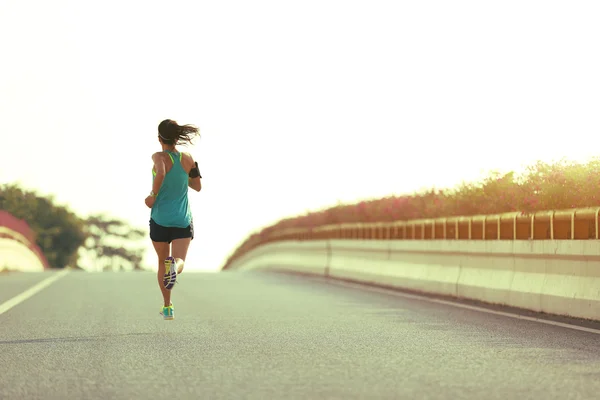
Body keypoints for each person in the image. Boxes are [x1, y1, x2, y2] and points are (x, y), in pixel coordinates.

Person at [145, 119, 202, 320]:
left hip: (160, 218)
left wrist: (152, 195)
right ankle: (175, 269)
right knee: (178, 261)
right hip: (182, 219)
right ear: (177, 138)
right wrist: (181, 178)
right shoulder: (188, 159)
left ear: (159, 138)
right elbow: (197, 186)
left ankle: (168, 307)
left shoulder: (158, 156)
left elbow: (160, 172)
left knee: (162, 262)